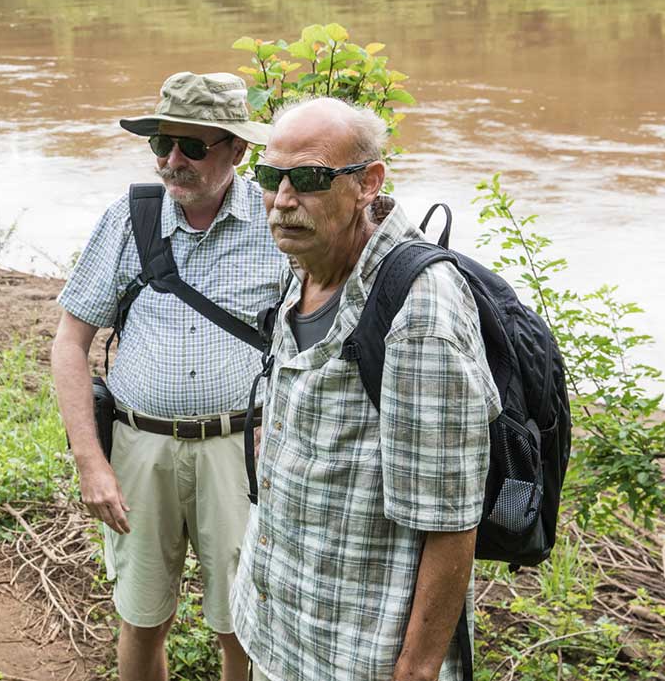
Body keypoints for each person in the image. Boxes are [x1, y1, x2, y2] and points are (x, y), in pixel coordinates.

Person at [231, 97, 499, 681]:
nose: (282, 199)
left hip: (360, 652)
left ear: (367, 182)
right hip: (280, 628)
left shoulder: (419, 308)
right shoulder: (307, 260)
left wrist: (418, 668)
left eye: (309, 178)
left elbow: (451, 518)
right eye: (270, 176)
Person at [51, 72, 286, 681]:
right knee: (141, 614)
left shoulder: (278, 224)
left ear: (238, 150)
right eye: (162, 145)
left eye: (193, 146)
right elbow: (70, 344)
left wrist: (285, 426)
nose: (173, 161)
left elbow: (316, 344)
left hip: (242, 451)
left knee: (244, 622)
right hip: (139, 447)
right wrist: (91, 463)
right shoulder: (130, 217)